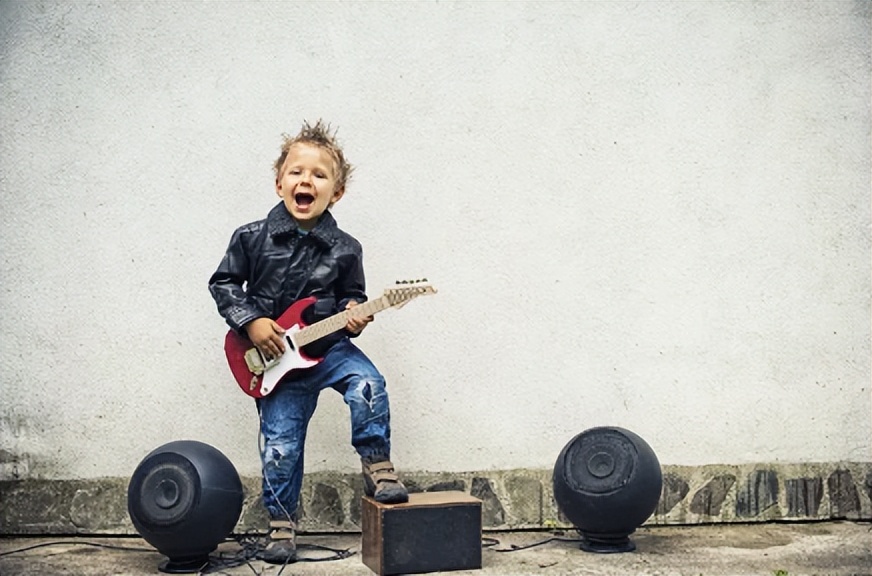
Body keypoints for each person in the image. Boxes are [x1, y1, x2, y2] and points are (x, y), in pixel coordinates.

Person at [209, 120, 408, 564]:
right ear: (279, 182)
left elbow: (352, 295)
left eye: (320, 176)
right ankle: (281, 524)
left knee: (369, 383)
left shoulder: (346, 247)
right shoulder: (250, 236)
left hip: (329, 348)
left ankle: (376, 464)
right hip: (275, 361)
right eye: (297, 172)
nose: (307, 181)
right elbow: (223, 284)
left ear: (335, 193)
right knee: (281, 445)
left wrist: (356, 316)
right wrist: (252, 322)